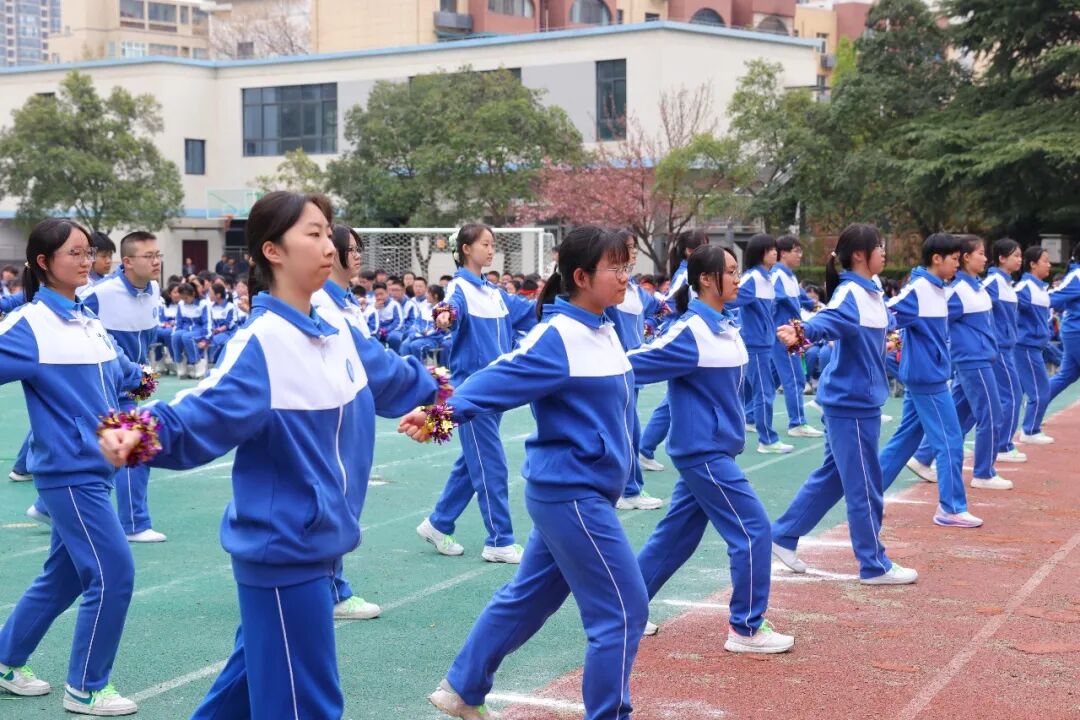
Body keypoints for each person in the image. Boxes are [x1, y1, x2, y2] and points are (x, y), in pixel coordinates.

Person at [100, 192, 436, 719]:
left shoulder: (336, 332)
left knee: (242, 693)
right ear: (272, 251)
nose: (330, 247)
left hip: (317, 546)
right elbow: (201, 411)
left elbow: (400, 381)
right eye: (313, 234)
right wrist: (136, 431)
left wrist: (451, 399)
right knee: (306, 706)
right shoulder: (264, 343)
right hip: (284, 552)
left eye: (328, 234)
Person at [400, 226, 649, 720]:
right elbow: (497, 378)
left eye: (628, 266)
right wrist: (439, 417)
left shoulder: (605, 327)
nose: (626, 276)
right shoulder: (558, 337)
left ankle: (463, 687)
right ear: (581, 277)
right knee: (623, 609)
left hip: (581, 491)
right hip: (572, 494)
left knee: (529, 598)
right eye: (615, 267)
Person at [0, 218, 143, 716]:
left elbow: (125, 375)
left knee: (63, 578)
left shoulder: (87, 318)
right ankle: (86, 687)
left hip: (100, 468)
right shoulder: (30, 325)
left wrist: (144, 381)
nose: (87, 261)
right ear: (43, 262)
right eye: (74, 253)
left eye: (89, 252)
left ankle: (4, 659)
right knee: (114, 573)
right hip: (69, 473)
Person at [629, 244, 794, 652]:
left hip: (717, 448)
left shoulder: (725, 324)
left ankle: (623, 609)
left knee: (676, 537)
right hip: (703, 452)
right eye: (731, 271)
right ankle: (746, 628)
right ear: (705, 279)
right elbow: (629, 365)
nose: (738, 279)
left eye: (738, 270)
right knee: (753, 530)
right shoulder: (690, 332)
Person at [771, 223, 919, 584]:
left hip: (857, 400)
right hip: (850, 404)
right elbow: (828, 319)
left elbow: (870, 327)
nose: (884, 252)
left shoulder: (872, 290)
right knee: (865, 484)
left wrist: (883, 342)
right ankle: (873, 564)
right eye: (879, 247)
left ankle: (783, 535)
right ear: (859, 255)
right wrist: (801, 331)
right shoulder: (850, 293)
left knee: (834, 476)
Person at [417, 224, 525, 564]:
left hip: (497, 391)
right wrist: (444, 316)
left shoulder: (494, 292)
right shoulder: (460, 287)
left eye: (493, 244)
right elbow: (448, 309)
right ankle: (499, 540)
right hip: (473, 394)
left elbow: (528, 311)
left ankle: (438, 523)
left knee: (472, 462)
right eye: (485, 244)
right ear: (465, 248)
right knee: (491, 464)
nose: (491, 250)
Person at [875, 234, 982, 528]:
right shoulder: (920, 289)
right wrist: (888, 339)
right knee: (949, 440)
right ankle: (951, 507)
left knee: (906, 440)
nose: (958, 265)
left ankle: (868, 497)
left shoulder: (938, 288)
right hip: (927, 379)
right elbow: (884, 312)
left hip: (927, 375)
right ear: (937, 259)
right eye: (954, 260)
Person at [603, 230, 664, 511]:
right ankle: (624, 489)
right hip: (614, 369)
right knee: (623, 431)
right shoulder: (611, 290)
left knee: (629, 431)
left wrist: (649, 325)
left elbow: (661, 308)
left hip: (633, 370)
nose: (634, 251)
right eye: (629, 247)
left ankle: (625, 488)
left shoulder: (636, 290)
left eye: (635, 247)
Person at [638, 229, 708, 472]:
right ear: (688, 251)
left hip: (694, 338)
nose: (708, 249)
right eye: (702, 245)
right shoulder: (685, 275)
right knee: (675, 398)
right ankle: (645, 447)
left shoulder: (695, 272)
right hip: (683, 339)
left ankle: (646, 447)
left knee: (679, 396)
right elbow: (668, 306)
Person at [946, 236, 1013, 490]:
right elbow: (937, 321)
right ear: (966, 257)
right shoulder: (957, 291)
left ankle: (923, 456)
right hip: (973, 360)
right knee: (992, 414)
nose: (986, 258)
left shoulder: (977, 287)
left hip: (981, 357)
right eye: (981, 253)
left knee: (959, 416)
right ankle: (984, 472)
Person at [731, 233, 792, 454]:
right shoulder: (753, 278)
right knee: (764, 392)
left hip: (765, 343)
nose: (775, 252)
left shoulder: (767, 278)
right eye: (770, 249)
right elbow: (730, 300)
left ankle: (746, 426)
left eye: (775, 249)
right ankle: (767, 440)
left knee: (753, 391)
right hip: (755, 344)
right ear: (759, 253)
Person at [770, 235, 823, 439]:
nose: (800, 255)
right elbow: (776, 300)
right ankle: (797, 423)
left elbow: (804, 300)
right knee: (795, 378)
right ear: (783, 253)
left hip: (791, 333)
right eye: (796, 251)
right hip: (784, 336)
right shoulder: (776, 275)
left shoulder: (790, 276)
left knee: (771, 379)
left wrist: (818, 307)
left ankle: (749, 417)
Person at [983, 239, 1026, 463]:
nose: (1020, 260)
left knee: (972, 406)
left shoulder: (1008, 283)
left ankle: (926, 454)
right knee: (1012, 394)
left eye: (1020, 256)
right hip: (998, 348)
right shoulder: (992, 282)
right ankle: (1003, 445)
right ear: (1001, 258)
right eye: (1015, 255)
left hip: (1006, 347)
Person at [1013, 246, 1055, 445]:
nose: (1049, 265)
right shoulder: (1024, 288)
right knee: (1040, 390)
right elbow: (1007, 311)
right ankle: (1030, 430)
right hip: (1026, 346)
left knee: (1017, 394)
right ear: (1033, 264)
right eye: (1045, 261)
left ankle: (1023, 431)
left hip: (1036, 346)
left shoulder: (1041, 289)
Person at [1047, 244, 1080, 404]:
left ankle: (1037, 401)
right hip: (1076, 332)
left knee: (1067, 375)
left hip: (1073, 331)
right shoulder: (1077, 276)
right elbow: (1052, 297)